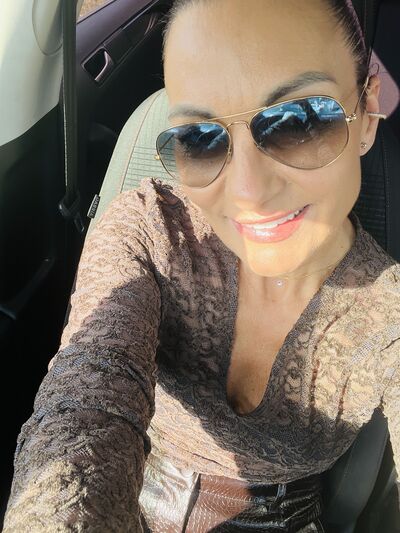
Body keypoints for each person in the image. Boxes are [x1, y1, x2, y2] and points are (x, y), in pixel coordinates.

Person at [4, 0, 399, 531]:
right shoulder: (150, 229)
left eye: (300, 121)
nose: (248, 192)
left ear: (367, 112)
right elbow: (86, 399)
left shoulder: (389, 313)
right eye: (200, 138)